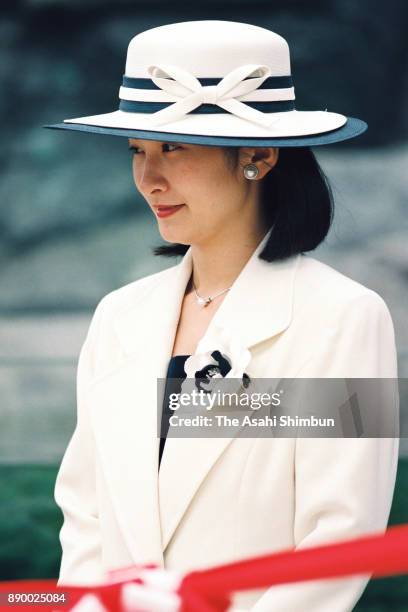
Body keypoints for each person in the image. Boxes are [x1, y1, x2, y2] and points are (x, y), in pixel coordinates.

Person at [47, 20, 399, 611]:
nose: (147, 178)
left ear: (258, 155)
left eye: (174, 148)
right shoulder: (119, 317)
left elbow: (340, 537)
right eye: (138, 150)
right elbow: (85, 517)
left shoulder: (345, 318)